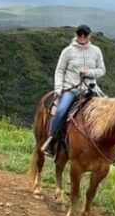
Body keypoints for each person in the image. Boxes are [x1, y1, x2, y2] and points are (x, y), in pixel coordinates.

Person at [41, 24, 106, 157]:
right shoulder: (67, 51)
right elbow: (59, 70)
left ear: (89, 35)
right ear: (76, 35)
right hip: (71, 89)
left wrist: (89, 72)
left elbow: (101, 70)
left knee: (109, 112)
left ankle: (112, 146)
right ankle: (51, 141)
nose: (82, 36)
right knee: (60, 110)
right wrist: (58, 88)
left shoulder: (96, 51)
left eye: (85, 34)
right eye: (80, 33)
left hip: (90, 89)